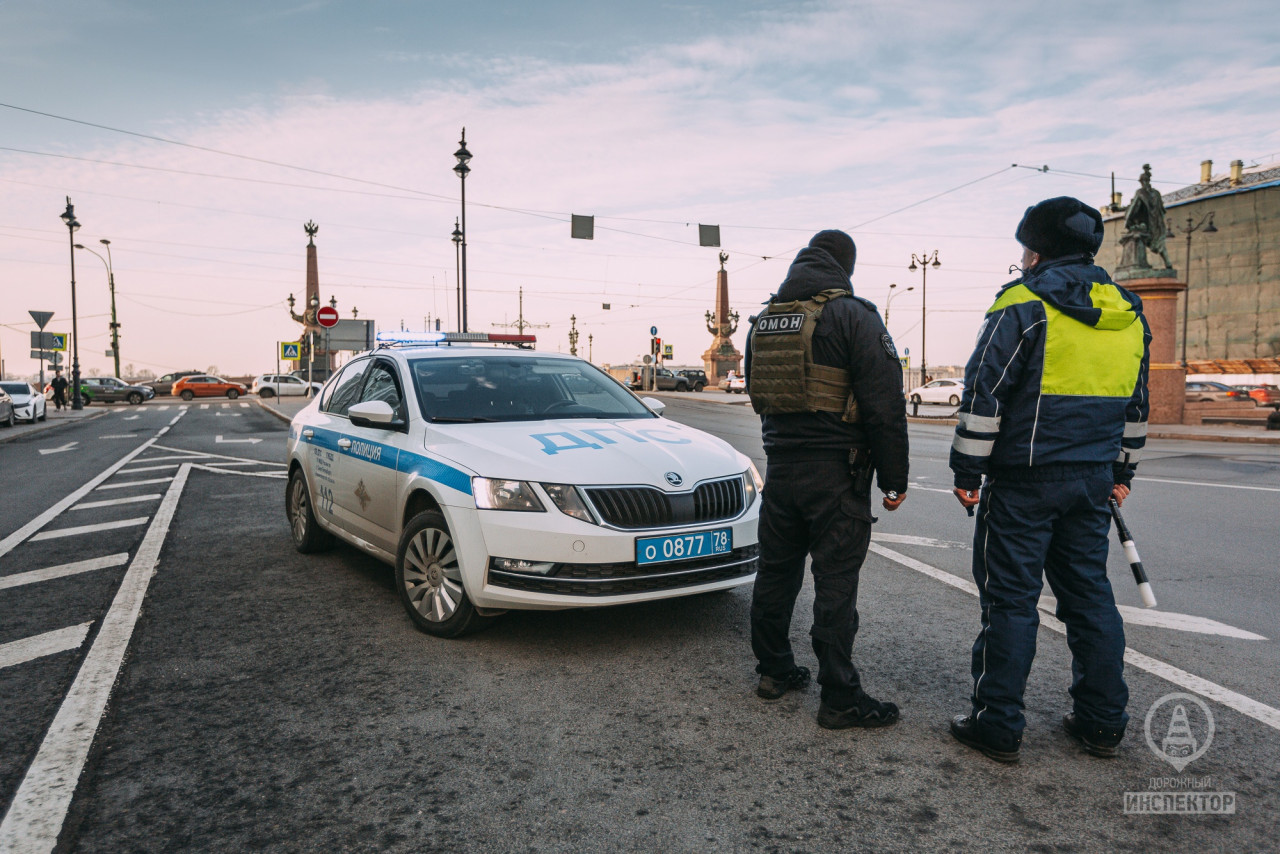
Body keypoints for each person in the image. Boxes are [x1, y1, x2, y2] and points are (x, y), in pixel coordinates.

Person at [948, 196, 1151, 763]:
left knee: (1010, 603)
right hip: (1091, 484)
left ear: (1035, 250)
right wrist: (1121, 473)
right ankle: (1103, 722)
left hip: (1023, 483)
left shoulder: (1023, 303)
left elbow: (983, 395)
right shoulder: (1129, 312)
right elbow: (1137, 408)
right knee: (1089, 599)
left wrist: (967, 470)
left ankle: (998, 724)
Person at [745, 229, 910, 730]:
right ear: (846, 267)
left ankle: (774, 671)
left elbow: (760, 394)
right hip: (837, 472)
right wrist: (894, 478)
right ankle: (839, 696)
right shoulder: (852, 315)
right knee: (835, 583)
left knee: (776, 573)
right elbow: (885, 406)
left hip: (782, 468)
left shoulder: (764, 321)